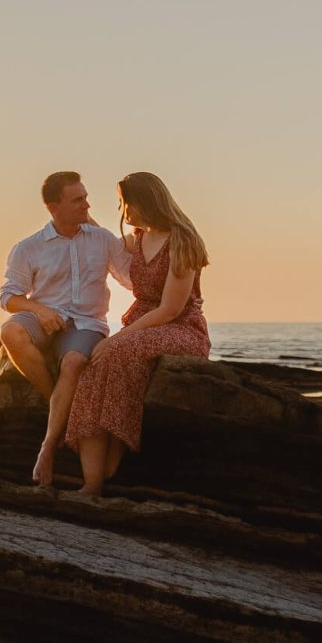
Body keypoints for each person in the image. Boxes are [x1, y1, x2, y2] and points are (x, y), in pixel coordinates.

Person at [63, 172, 211, 496]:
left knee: (118, 351)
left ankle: (118, 446)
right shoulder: (137, 237)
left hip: (181, 328)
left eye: (124, 202)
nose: (122, 210)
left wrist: (118, 337)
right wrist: (80, 213)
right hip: (141, 324)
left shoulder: (183, 241)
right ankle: (92, 482)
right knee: (93, 368)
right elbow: (105, 245)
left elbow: (171, 309)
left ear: (144, 201)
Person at [0, 170, 135, 487]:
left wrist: (135, 243)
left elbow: (130, 279)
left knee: (73, 362)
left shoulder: (102, 240)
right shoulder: (28, 247)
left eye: (86, 197)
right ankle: (55, 402)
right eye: (78, 200)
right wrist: (38, 309)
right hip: (44, 319)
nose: (87, 204)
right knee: (10, 333)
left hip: (87, 324)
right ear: (53, 207)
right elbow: (8, 296)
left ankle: (48, 445)